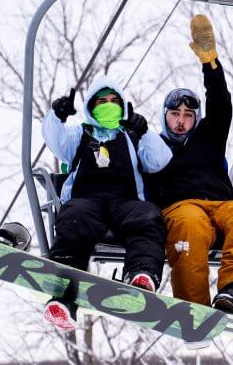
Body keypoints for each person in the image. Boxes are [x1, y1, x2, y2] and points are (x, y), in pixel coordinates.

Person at [144, 15, 233, 316]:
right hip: (182, 207)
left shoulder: (207, 136)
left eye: (188, 114)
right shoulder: (155, 147)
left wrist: (210, 62)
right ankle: (193, 308)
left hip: (221, 206)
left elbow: (221, 104)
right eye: (175, 114)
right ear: (165, 116)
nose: (182, 121)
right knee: (191, 226)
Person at [40, 76, 172, 331]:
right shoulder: (81, 134)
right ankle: (64, 292)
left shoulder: (132, 136)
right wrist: (56, 116)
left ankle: (141, 276)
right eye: (102, 101)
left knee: (147, 217)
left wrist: (144, 132)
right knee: (75, 218)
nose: (108, 105)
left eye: (114, 101)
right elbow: (55, 140)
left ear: (122, 105)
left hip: (126, 201)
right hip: (86, 200)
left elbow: (160, 160)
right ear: (92, 105)